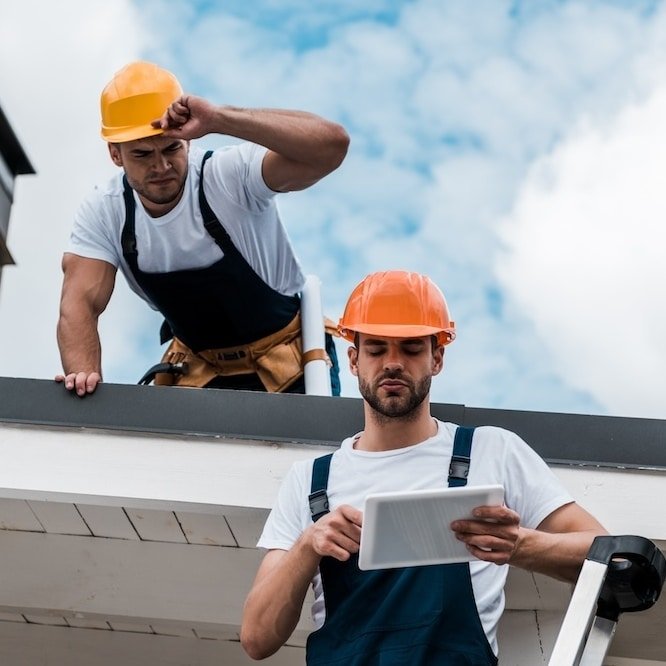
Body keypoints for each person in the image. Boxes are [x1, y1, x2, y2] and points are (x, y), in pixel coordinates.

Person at [240, 270, 608, 665]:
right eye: (377, 349)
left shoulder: (492, 452)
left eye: (412, 348)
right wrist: (309, 545)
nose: (393, 363)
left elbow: (609, 556)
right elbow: (257, 639)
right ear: (353, 359)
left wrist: (521, 545)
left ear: (437, 357)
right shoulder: (310, 483)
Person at [56, 61, 349, 397]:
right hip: (199, 376)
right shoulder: (105, 211)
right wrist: (84, 381)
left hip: (289, 369)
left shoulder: (230, 176)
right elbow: (79, 304)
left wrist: (219, 118)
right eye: (142, 154)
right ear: (115, 154)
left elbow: (331, 146)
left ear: (189, 142)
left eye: (171, 148)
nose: (161, 166)